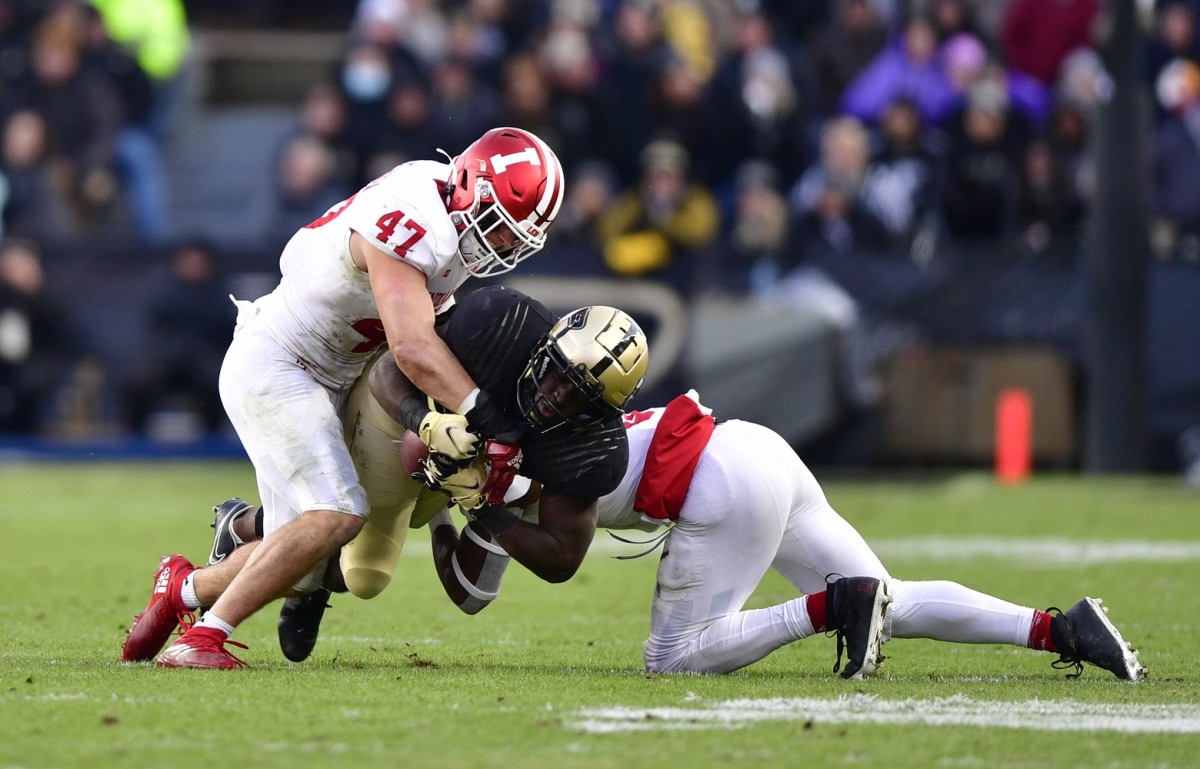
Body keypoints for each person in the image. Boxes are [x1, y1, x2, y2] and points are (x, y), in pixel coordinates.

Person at [121, 127, 566, 669]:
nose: (500, 245)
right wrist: (486, 416)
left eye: (515, 238)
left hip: (344, 370)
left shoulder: (449, 216)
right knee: (337, 512)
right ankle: (205, 637)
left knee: (306, 560)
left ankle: (182, 590)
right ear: (470, 184)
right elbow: (411, 346)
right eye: (499, 227)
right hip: (284, 361)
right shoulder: (415, 217)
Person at [428, 391, 1148, 681]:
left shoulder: (524, 466)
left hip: (719, 482)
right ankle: (1061, 630)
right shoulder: (531, 431)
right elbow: (477, 573)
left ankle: (827, 608)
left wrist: (477, 511)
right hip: (754, 447)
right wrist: (450, 518)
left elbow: (555, 559)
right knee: (890, 599)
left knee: (674, 658)